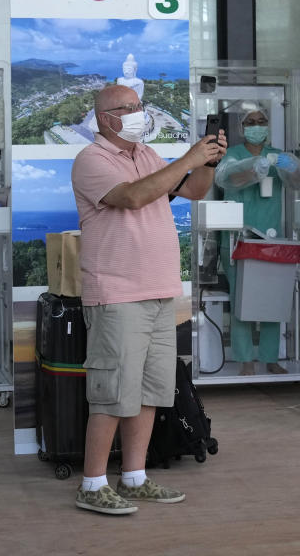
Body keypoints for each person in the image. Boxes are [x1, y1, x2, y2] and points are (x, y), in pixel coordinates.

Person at [70, 84, 226, 515]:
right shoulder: (92, 160)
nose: (139, 113)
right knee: (113, 393)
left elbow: (193, 190)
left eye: (139, 106)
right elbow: (133, 196)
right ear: (105, 117)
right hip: (118, 295)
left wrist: (209, 161)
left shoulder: (148, 156)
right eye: (128, 108)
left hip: (160, 292)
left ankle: (134, 477)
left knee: (149, 392)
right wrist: (190, 158)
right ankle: (92, 483)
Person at [214, 102, 300, 376]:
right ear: (241, 127)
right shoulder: (232, 155)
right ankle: (245, 359)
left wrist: (290, 166)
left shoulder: (277, 156)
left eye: (261, 120)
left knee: (273, 299)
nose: (257, 126)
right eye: (251, 122)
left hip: (271, 238)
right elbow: (226, 179)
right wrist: (253, 168)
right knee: (241, 300)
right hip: (237, 239)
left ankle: (270, 358)